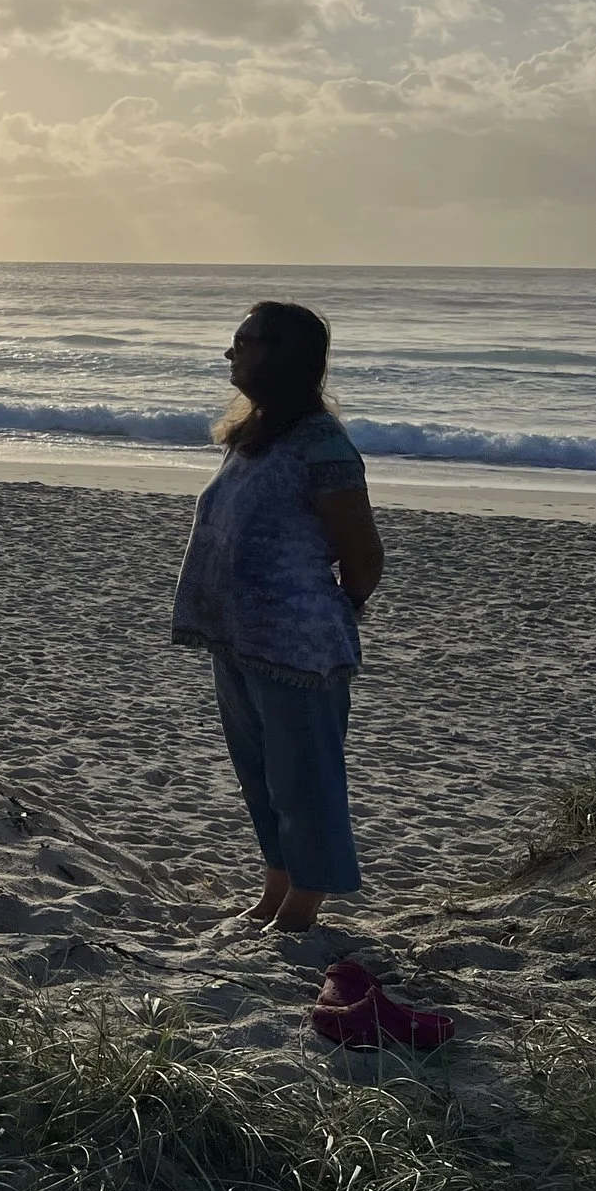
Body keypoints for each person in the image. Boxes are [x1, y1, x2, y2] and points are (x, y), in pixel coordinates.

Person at [172, 301, 382, 934]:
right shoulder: (258, 432)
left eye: (243, 342)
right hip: (238, 639)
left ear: (278, 355)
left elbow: (363, 555)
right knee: (262, 779)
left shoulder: (320, 442)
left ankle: (302, 907)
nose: (229, 353)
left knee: (304, 781)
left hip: (298, 647)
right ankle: (277, 888)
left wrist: (333, 611)